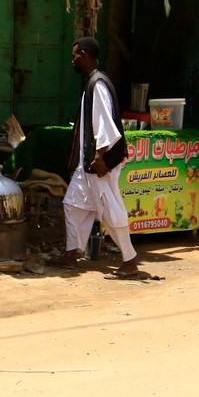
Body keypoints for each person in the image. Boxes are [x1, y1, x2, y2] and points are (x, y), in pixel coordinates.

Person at [47, 36, 139, 278]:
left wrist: (100, 158)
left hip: (98, 163)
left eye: (75, 56)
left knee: (110, 210)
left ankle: (129, 261)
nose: (72, 61)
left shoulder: (97, 85)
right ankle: (71, 255)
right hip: (86, 164)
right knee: (73, 205)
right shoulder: (92, 83)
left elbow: (104, 126)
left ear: (84, 55)